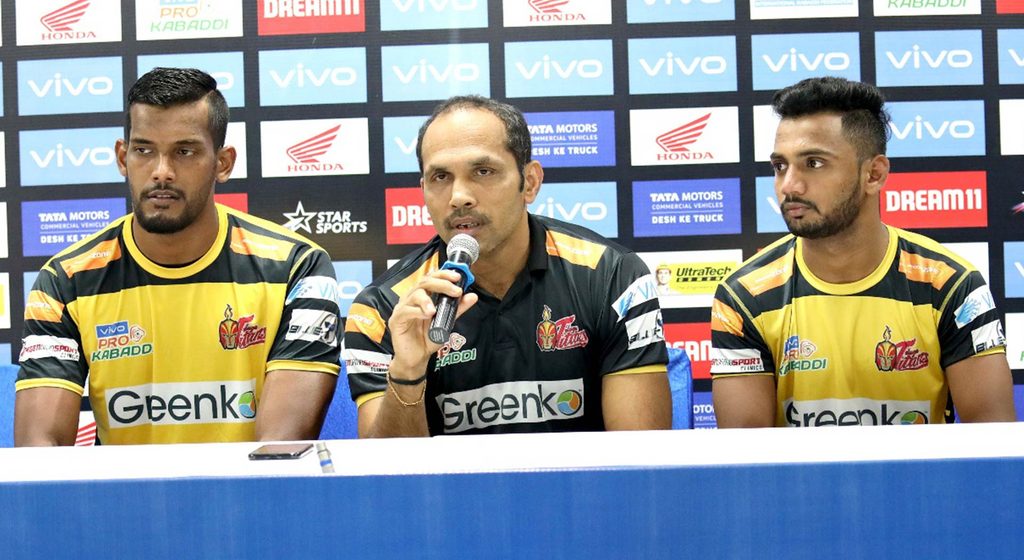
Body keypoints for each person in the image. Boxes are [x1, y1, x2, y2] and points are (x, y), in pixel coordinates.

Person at [14, 68, 341, 445]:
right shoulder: (65, 279)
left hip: (246, 501)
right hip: (124, 503)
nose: (161, 172)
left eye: (184, 152)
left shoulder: (297, 268)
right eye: (144, 150)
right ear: (123, 158)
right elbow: (40, 451)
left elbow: (280, 449)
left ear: (223, 163)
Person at [343, 95, 672, 437]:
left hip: (580, 490)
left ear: (529, 182)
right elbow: (390, 479)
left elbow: (641, 457)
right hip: (453, 492)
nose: (459, 196)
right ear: (424, 190)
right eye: (441, 177)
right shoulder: (383, 308)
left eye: (483, 171)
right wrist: (408, 370)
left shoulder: (612, 277)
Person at [710, 76, 1015, 427]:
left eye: (814, 163)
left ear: (874, 174)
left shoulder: (951, 286)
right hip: (798, 485)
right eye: (780, 166)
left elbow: (992, 441)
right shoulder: (744, 296)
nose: (789, 185)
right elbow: (747, 459)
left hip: (920, 484)